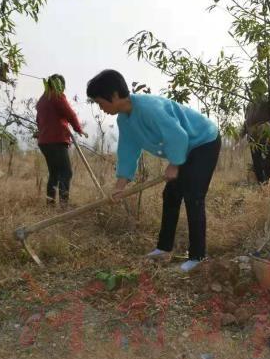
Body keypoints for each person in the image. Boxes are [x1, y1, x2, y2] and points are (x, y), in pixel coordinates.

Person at [86, 69, 221, 273]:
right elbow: (128, 151)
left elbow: (177, 135)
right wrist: (119, 186)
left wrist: (175, 164)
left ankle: (197, 257)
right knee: (171, 194)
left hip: (203, 141)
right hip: (185, 147)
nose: (100, 108)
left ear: (113, 95)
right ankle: (163, 248)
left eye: (100, 102)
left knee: (193, 196)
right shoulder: (124, 119)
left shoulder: (149, 107)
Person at [35, 74, 87, 208]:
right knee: (66, 172)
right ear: (59, 85)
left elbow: (38, 121)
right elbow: (70, 114)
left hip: (44, 142)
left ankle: (50, 204)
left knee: (54, 173)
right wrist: (78, 129)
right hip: (56, 140)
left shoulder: (42, 100)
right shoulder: (57, 96)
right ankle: (64, 205)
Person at [240, 78, 270, 184]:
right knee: (257, 164)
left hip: (266, 139)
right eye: (253, 89)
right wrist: (240, 135)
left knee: (266, 164)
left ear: (262, 89)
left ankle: (269, 187)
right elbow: (246, 122)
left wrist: (267, 125)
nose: (254, 91)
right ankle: (261, 186)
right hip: (253, 141)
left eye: (256, 89)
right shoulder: (250, 105)